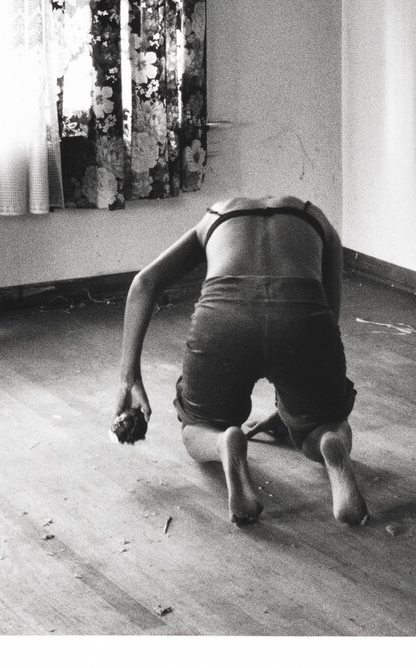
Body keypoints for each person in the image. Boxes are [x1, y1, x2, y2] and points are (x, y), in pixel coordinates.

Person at [112, 194, 367, 526]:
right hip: (302, 315)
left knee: (195, 429)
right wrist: (300, 412)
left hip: (223, 318)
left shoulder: (216, 216)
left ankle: (222, 443)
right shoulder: (319, 222)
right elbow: (328, 318)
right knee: (329, 422)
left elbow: (144, 282)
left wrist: (128, 377)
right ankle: (330, 443)